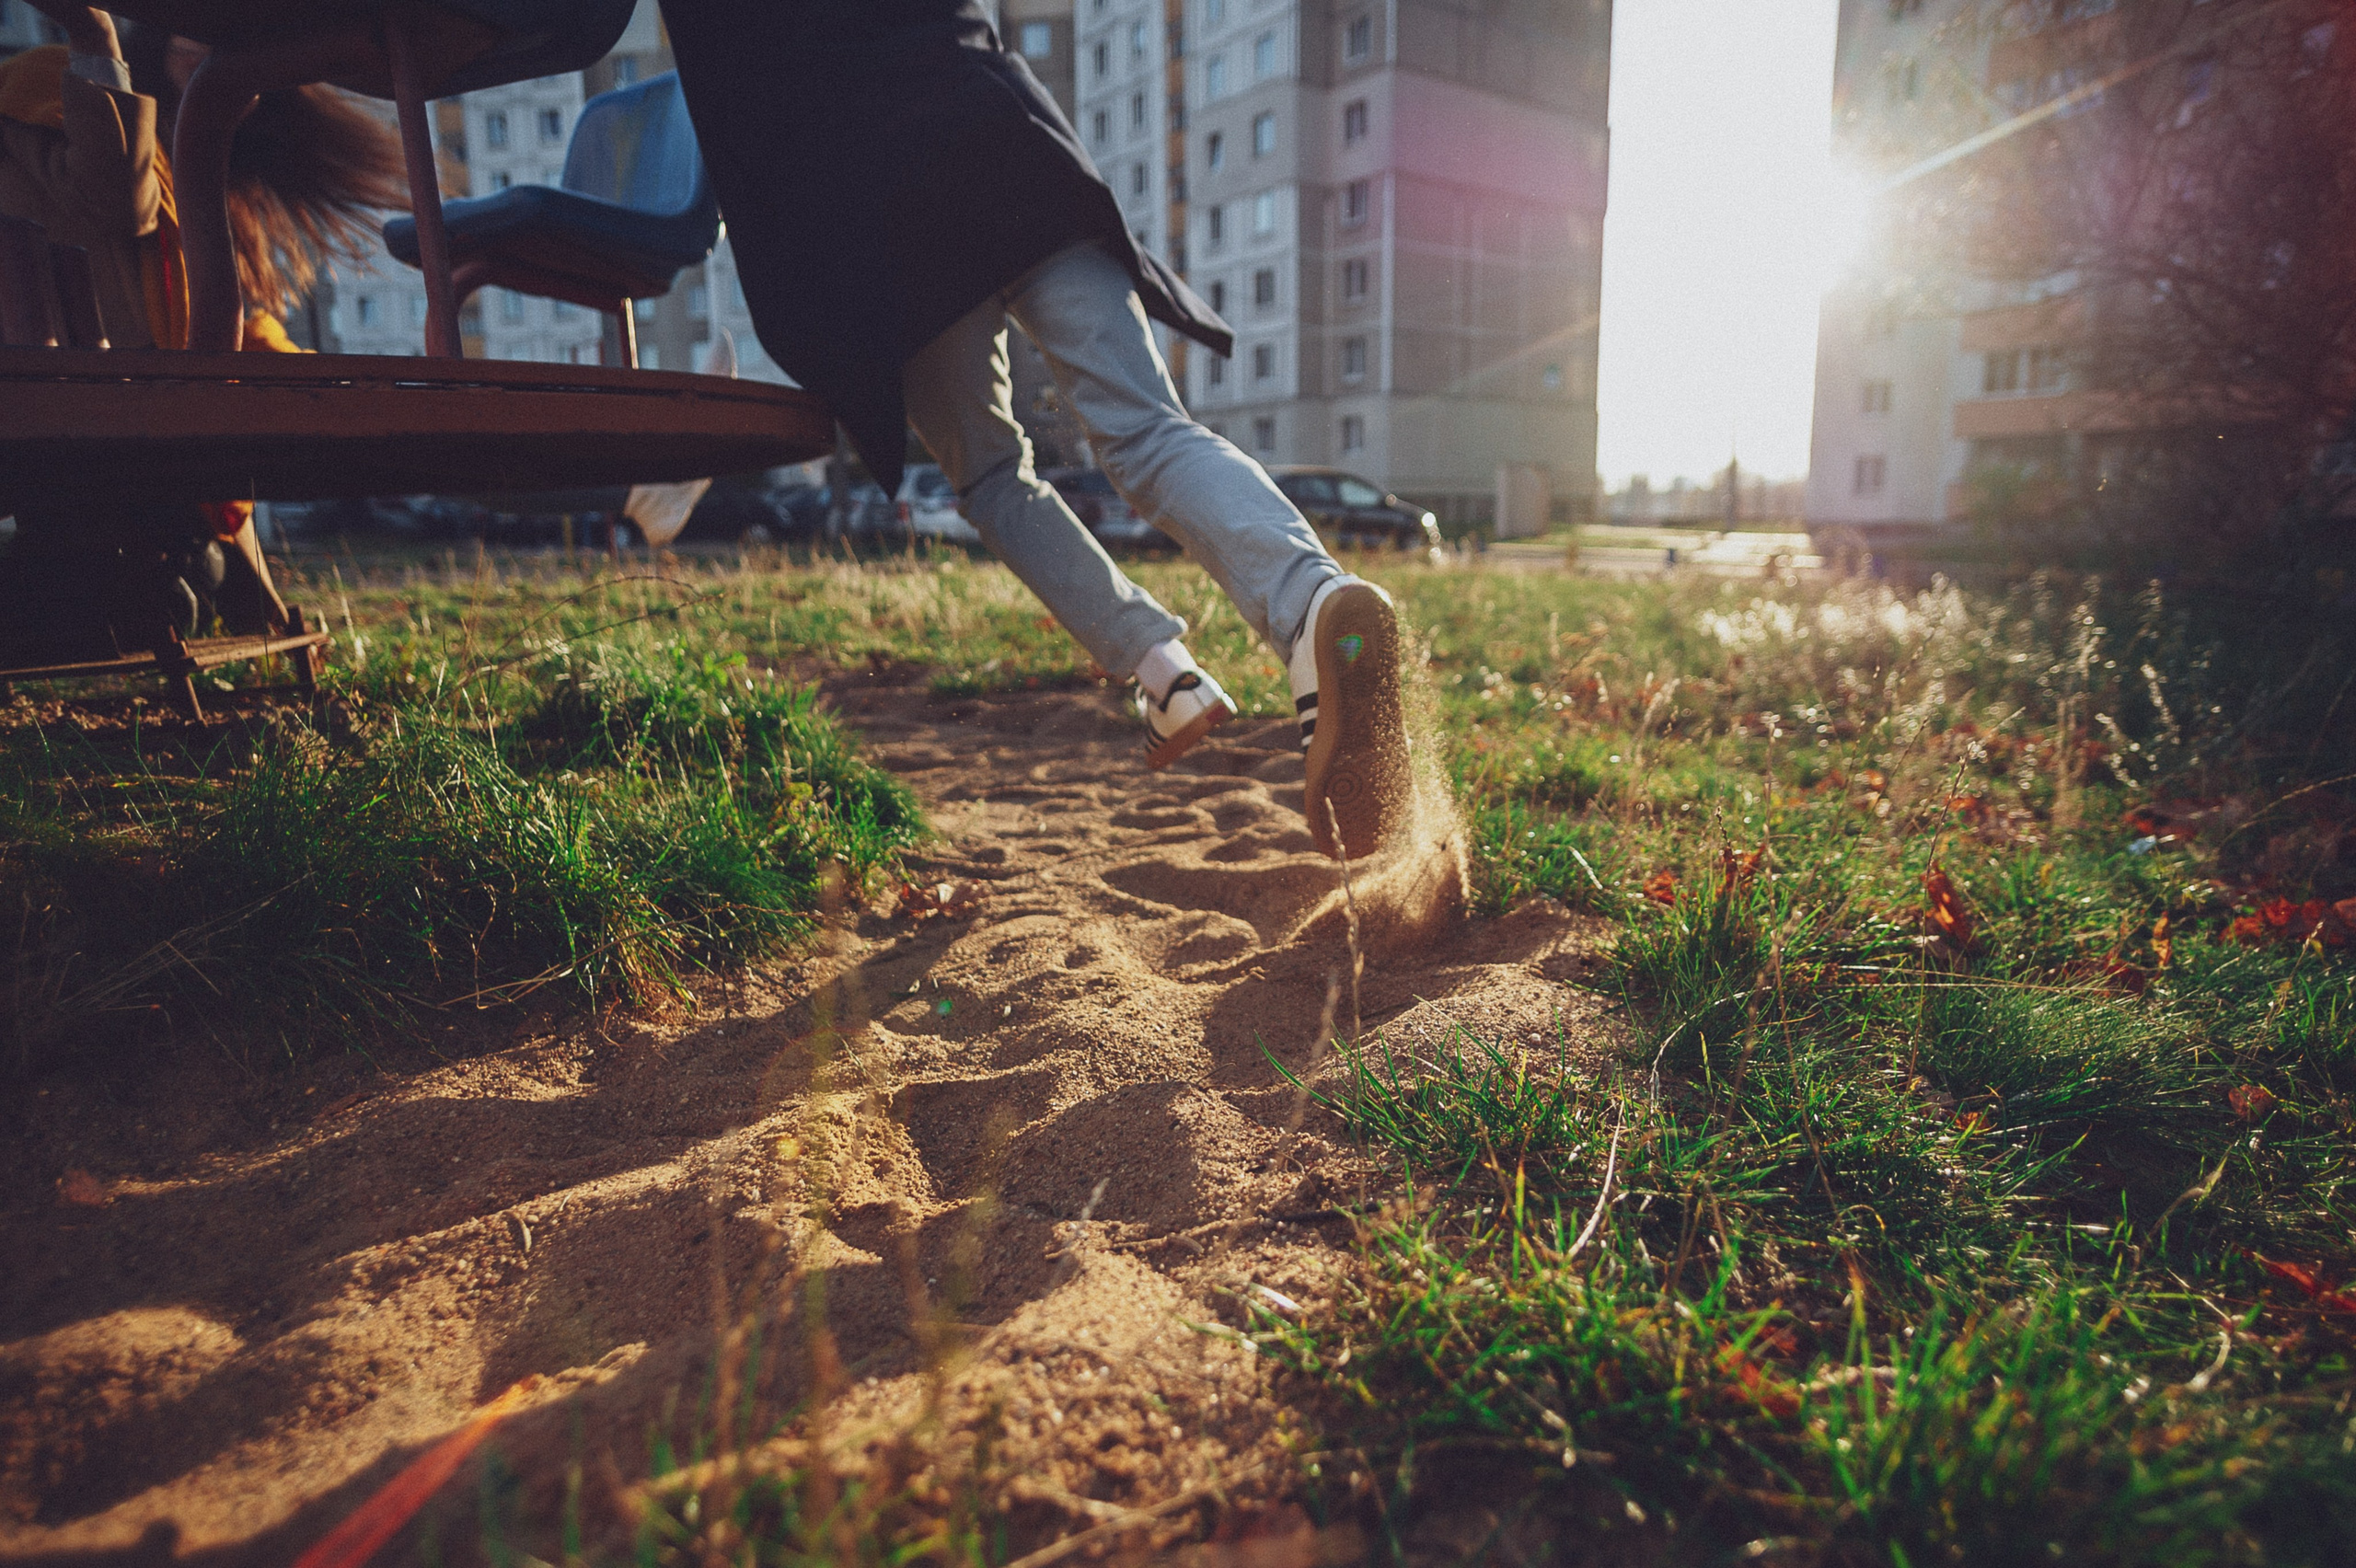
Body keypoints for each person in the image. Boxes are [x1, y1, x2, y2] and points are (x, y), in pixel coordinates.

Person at [659, 0, 1412, 861]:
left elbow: (729, 113)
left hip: (877, 218)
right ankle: (1311, 604)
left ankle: (1165, 672)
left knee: (991, 480)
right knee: (1148, 429)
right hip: (1008, 145)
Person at [0, 3, 403, 660]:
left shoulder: (201, 178)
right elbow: (117, 203)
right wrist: (94, 36)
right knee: (145, 578)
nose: (217, 55)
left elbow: (229, 333)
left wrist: (334, 393)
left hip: (128, 430)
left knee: (182, 571)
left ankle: (154, 581)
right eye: (204, 40)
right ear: (163, 33)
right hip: (63, 404)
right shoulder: (52, 81)